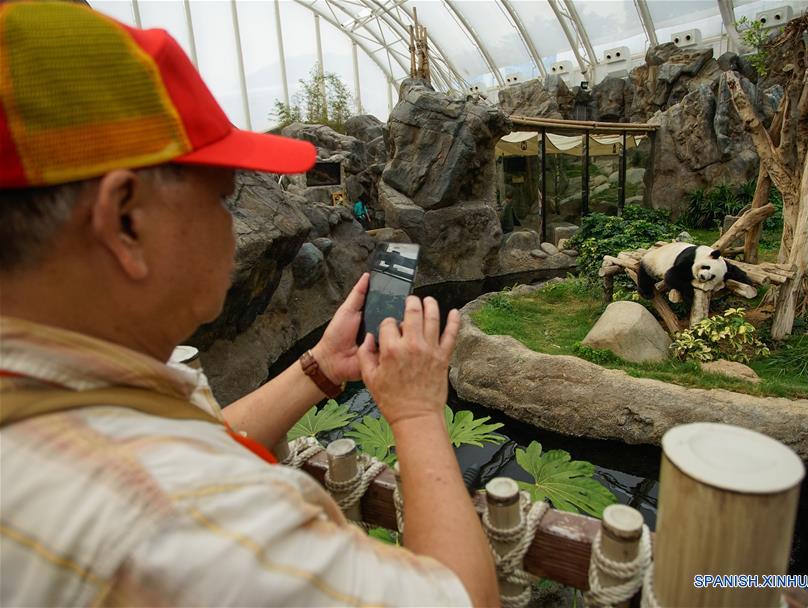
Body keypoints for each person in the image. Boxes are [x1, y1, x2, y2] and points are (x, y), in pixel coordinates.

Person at [0, 3, 499, 607]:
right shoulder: (185, 521)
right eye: (221, 196)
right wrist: (418, 413)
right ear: (125, 220)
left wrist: (318, 366)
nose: (233, 224)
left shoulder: (46, 411)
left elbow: (199, 439)